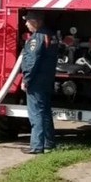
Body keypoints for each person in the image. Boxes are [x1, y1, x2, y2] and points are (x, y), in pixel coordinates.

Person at [21, 11, 58, 154]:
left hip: (36, 81)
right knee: (45, 112)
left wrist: (26, 79)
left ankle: (36, 146)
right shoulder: (50, 35)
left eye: (28, 21)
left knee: (36, 113)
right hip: (47, 79)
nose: (26, 24)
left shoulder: (37, 38)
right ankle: (48, 143)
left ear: (36, 22)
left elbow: (32, 60)